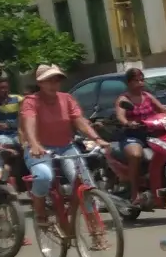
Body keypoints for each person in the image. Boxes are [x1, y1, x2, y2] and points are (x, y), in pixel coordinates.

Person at [21, 63, 108, 227]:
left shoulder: (67, 99)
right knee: (43, 176)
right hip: (40, 149)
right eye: (49, 80)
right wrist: (33, 144)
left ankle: (95, 227)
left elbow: (79, 121)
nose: (54, 84)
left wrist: (97, 139)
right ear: (40, 83)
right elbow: (29, 123)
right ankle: (39, 208)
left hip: (66, 147)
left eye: (57, 80)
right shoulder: (30, 102)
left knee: (85, 182)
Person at [114, 67, 166, 205]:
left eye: (142, 80)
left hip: (151, 133)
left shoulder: (147, 96)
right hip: (132, 135)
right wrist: (128, 123)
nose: (140, 83)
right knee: (136, 155)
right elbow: (120, 116)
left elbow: (162, 108)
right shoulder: (124, 99)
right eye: (136, 81)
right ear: (129, 83)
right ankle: (134, 192)